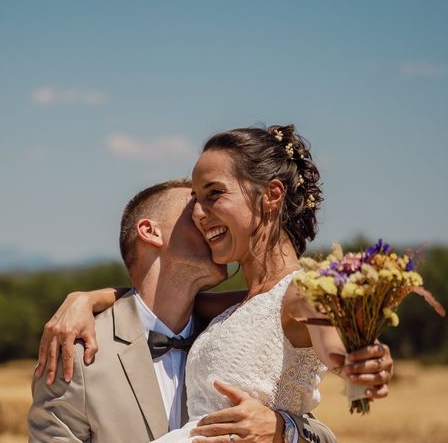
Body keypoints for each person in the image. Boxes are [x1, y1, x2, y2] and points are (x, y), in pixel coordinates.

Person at [30, 167, 392, 442]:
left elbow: (323, 435)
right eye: (194, 210)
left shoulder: (232, 332)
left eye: (214, 202)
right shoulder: (77, 353)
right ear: (150, 231)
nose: (208, 218)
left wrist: (284, 429)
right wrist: (87, 297)